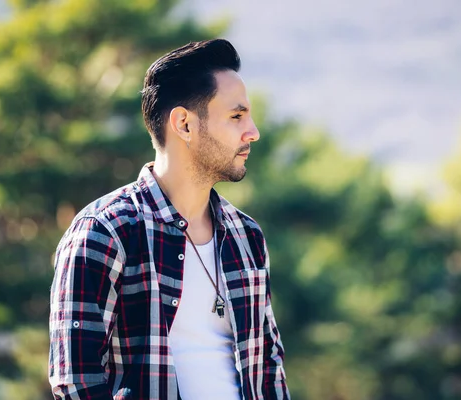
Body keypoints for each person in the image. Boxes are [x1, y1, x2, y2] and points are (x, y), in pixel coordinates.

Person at [48, 39, 290, 400]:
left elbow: (268, 369)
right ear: (184, 124)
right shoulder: (105, 231)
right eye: (237, 116)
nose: (252, 131)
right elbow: (76, 382)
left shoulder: (246, 236)